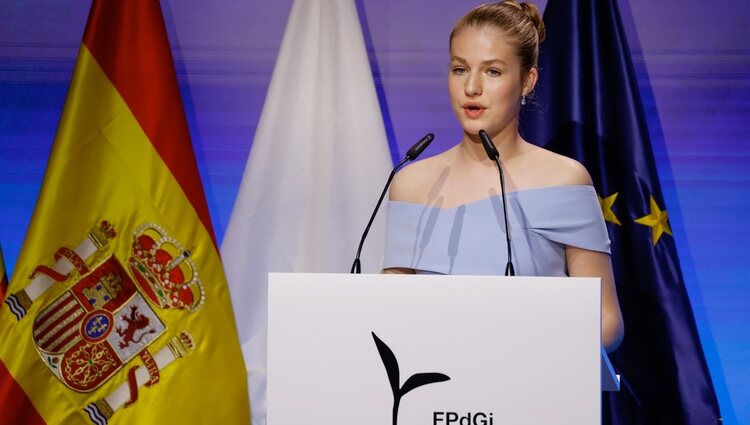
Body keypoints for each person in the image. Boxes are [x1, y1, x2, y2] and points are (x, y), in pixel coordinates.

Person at [382, 1, 624, 353]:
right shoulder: (413, 182)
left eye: (493, 71)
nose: (472, 88)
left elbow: (606, 319)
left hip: (533, 391)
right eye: (460, 69)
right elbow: (390, 306)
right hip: (434, 391)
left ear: (527, 80)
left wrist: (535, 352)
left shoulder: (564, 179)